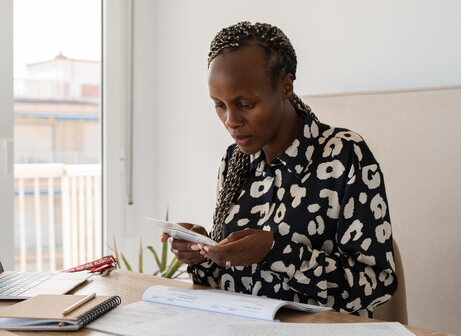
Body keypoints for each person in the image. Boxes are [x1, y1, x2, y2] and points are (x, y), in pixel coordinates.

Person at [161, 22, 397, 317]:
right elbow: (230, 285)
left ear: (286, 86)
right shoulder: (235, 161)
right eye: (219, 105)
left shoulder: (345, 155)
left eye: (245, 104)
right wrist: (204, 254)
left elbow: (376, 285)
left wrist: (275, 251)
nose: (230, 120)